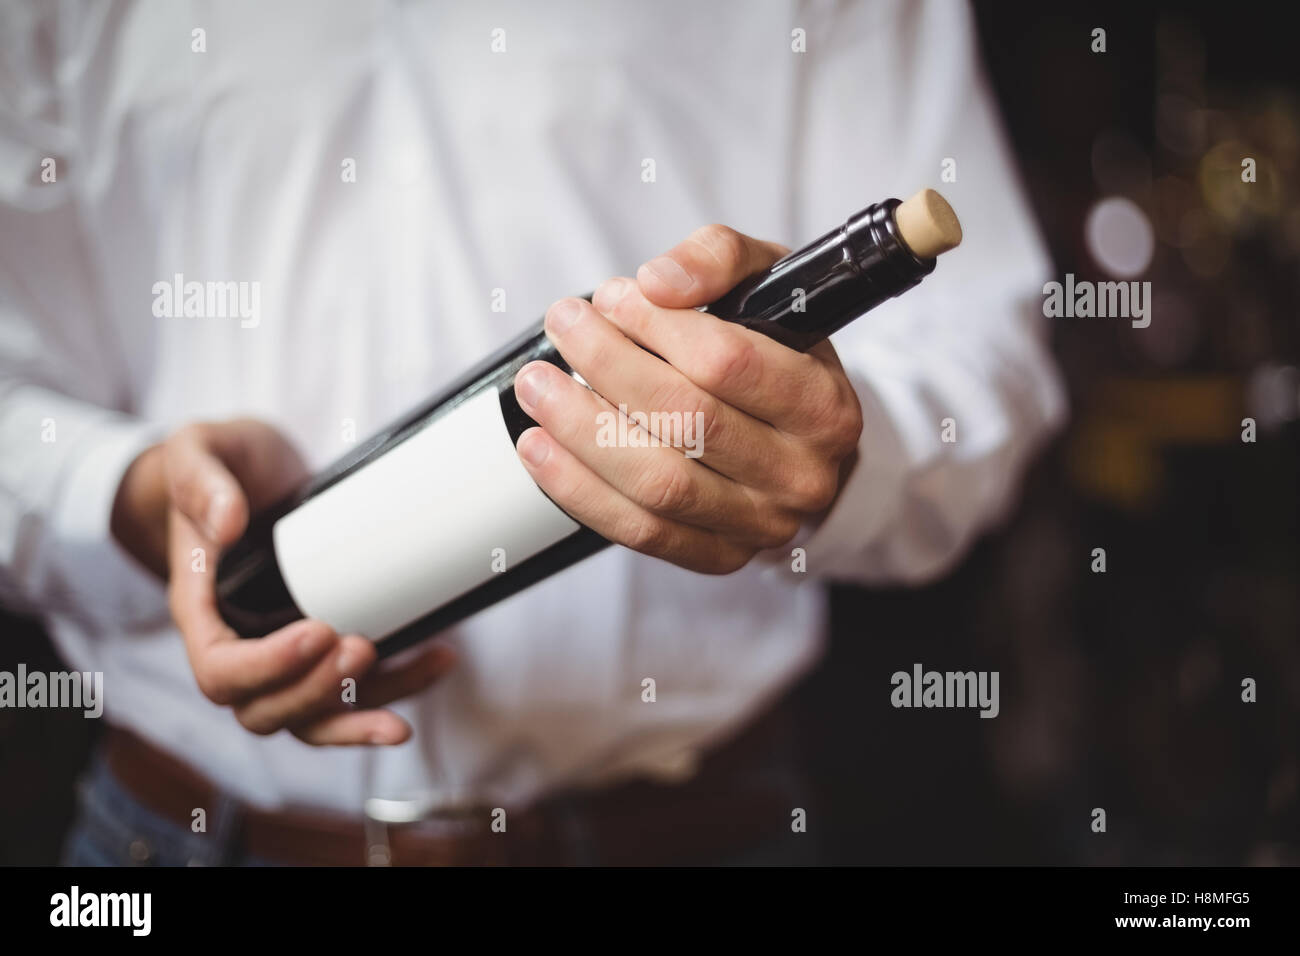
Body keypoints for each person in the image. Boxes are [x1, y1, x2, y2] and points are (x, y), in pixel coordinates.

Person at [0, 0, 1064, 865]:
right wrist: (130, 494)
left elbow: (987, 364)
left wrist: (828, 458)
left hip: (688, 831)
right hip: (174, 840)